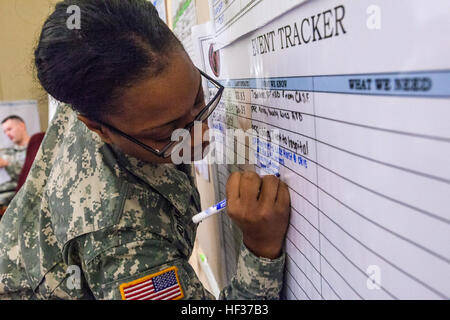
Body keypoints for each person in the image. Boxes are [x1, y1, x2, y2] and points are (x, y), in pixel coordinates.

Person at [0, 0, 290, 300]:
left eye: (196, 99)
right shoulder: (120, 242)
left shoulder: (95, 67)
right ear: (98, 129)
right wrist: (260, 248)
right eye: (168, 131)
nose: (202, 134)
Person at [0, 115, 30, 208]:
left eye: (9, 129)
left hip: (18, 196)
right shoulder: (5, 152)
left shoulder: (36, 149)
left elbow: (31, 174)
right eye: (5, 132)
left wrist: (7, 164)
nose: (7, 134)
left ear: (22, 125)